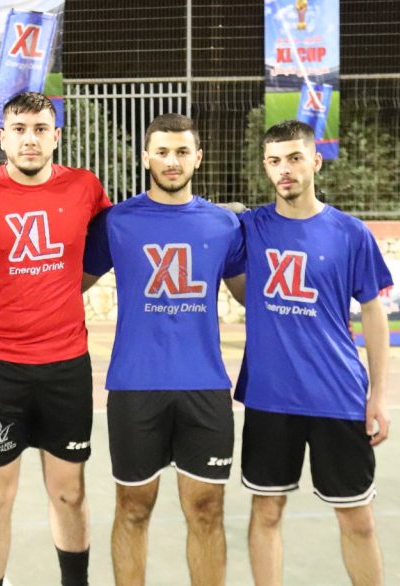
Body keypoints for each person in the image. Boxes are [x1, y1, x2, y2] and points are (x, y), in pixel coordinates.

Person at [0, 91, 111, 586]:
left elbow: (100, 250)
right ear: (2, 138)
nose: (29, 139)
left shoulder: (85, 188)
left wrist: (67, 285)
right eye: (19, 129)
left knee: (69, 493)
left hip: (65, 363)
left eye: (39, 129)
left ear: (56, 137)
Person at [83, 113, 245, 586]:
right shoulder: (116, 222)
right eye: (162, 152)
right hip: (136, 386)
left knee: (207, 509)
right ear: (145, 158)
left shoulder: (224, 224)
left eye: (181, 152)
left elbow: (253, 296)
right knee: (133, 507)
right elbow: (66, 284)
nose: (171, 161)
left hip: (205, 386)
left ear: (198, 157)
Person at [234, 119, 391, 586]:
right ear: (265, 167)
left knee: (358, 520)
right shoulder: (250, 227)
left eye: (295, 158)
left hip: (337, 396)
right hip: (270, 397)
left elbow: (373, 312)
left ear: (316, 161)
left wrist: (379, 395)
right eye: (274, 161)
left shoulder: (350, 232)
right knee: (266, 512)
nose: (285, 169)